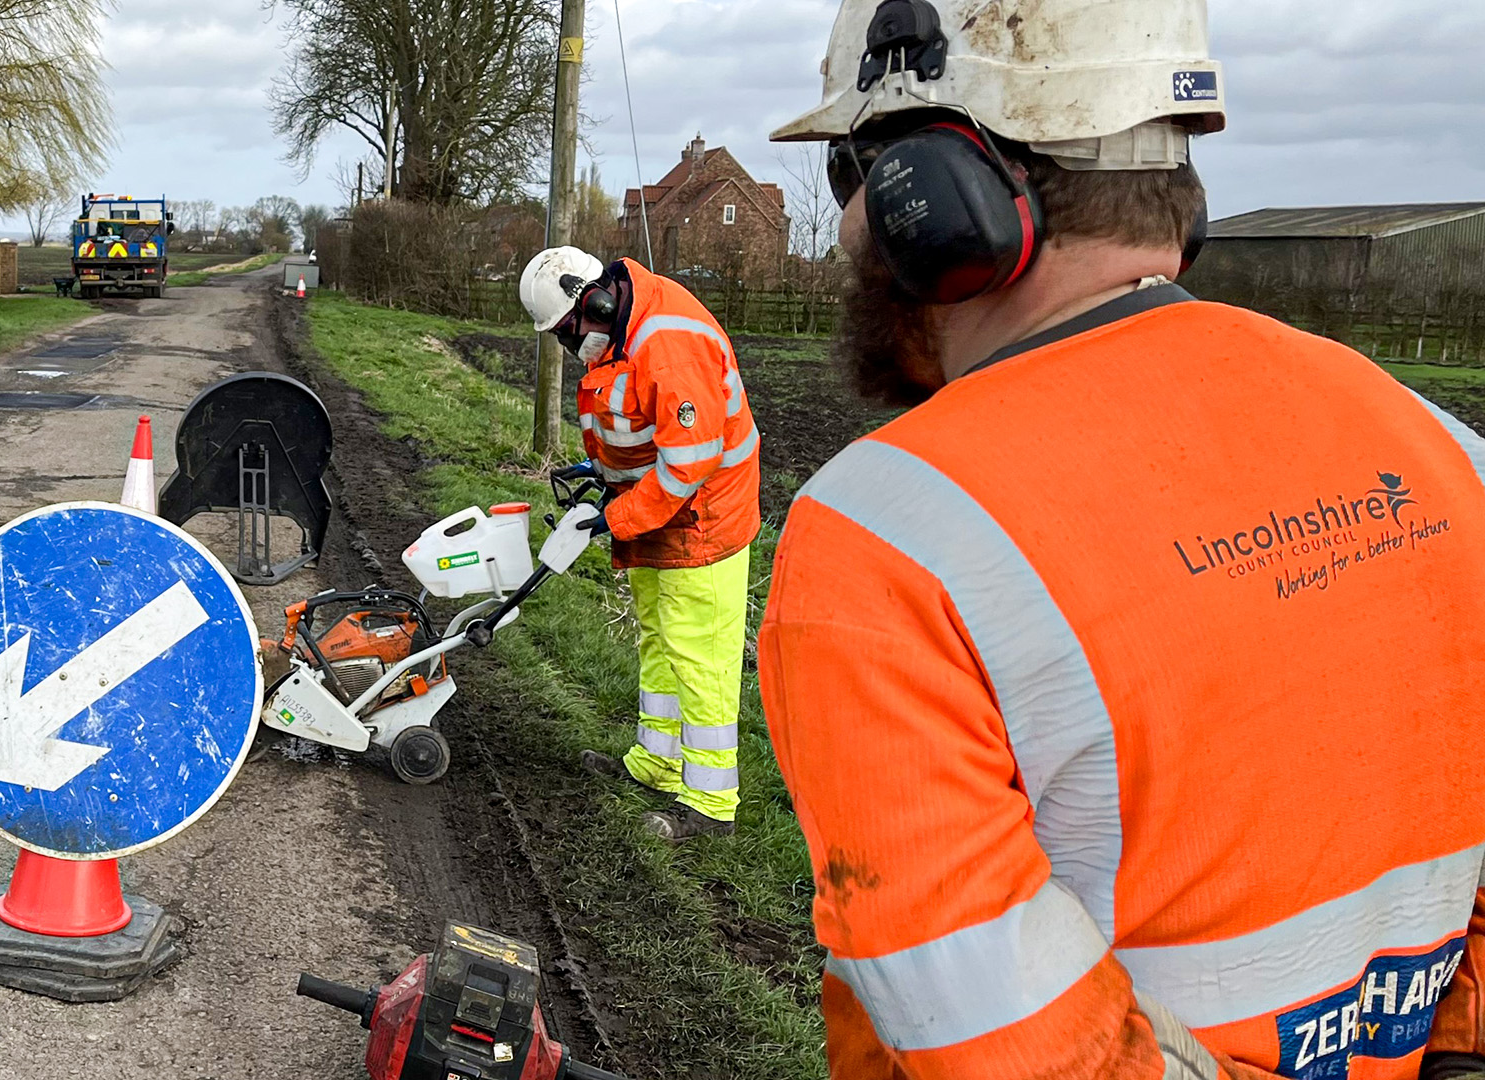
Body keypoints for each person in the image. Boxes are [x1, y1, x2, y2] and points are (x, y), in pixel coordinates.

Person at [758, 0, 1485, 1077]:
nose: (850, 230)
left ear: (934, 196)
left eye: (851, 180)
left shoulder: (882, 543)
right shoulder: (1444, 448)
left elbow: (1003, 1047)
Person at [519, 247, 762, 841]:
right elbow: (640, 423)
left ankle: (710, 803)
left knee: (699, 655)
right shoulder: (625, 326)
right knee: (659, 637)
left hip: (701, 521)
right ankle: (657, 764)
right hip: (659, 516)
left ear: (594, 303)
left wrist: (615, 517)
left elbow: (688, 464)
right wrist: (596, 467)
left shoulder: (669, 346)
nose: (567, 348)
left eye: (564, 334)